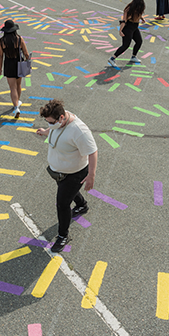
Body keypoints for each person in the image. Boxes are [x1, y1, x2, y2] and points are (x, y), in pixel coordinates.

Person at [36, 99, 98, 253]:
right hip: (59, 171)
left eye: (51, 123)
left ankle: (63, 235)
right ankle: (82, 205)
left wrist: (91, 175)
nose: (50, 125)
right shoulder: (58, 122)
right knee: (68, 192)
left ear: (61, 118)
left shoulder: (79, 130)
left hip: (74, 173)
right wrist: (46, 131)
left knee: (62, 204)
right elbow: (55, 130)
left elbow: (93, 151)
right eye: (47, 122)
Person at [0, 19, 30, 118]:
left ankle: (16, 106)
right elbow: (26, 53)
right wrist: (28, 63)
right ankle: (17, 103)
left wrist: (0, 68)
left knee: (12, 87)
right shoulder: (19, 39)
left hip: (8, 64)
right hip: (19, 63)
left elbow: (0, 55)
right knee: (18, 84)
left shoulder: (2, 41)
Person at [108, 0, 147, 68]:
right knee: (125, 45)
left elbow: (139, 14)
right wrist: (120, 31)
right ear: (137, 5)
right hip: (128, 28)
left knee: (139, 41)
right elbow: (124, 21)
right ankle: (112, 58)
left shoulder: (137, 9)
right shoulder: (129, 10)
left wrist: (142, 19)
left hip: (135, 28)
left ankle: (133, 57)